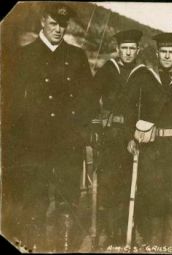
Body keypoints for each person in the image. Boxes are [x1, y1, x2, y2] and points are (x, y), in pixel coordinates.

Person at [14, 3, 96, 251]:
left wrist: (81, 132)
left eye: (63, 25)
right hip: (33, 143)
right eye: (54, 24)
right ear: (43, 21)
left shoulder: (77, 56)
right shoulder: (24, 55)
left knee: (67, 200)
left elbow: (89, 100)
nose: (59, 30)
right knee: (34, 200)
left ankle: (64, 248)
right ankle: (33, 246)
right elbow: (13, 105)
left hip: (67, 144)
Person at [126, 32, 172, 251]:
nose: (167, 56)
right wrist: (131, 136)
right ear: (157, 53)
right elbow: (130, 108)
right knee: (152, 195)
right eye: (163, 52)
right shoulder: (144, 77)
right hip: (152, 147)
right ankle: (154, 244)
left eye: (171, 52)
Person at [93, 29, 145, 248]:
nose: (128, 53)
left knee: (129, 185)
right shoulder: (107, 69)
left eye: (132, 48)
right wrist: (97, 124)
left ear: (138, 50)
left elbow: (148, 104)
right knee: (108, 183)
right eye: (124, 48)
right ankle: (108, 230)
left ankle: (127, 229)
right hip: (110, 135)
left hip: (131, 136)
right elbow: (91, 96)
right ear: (117, 49)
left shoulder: (143, 73)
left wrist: (139, 132)